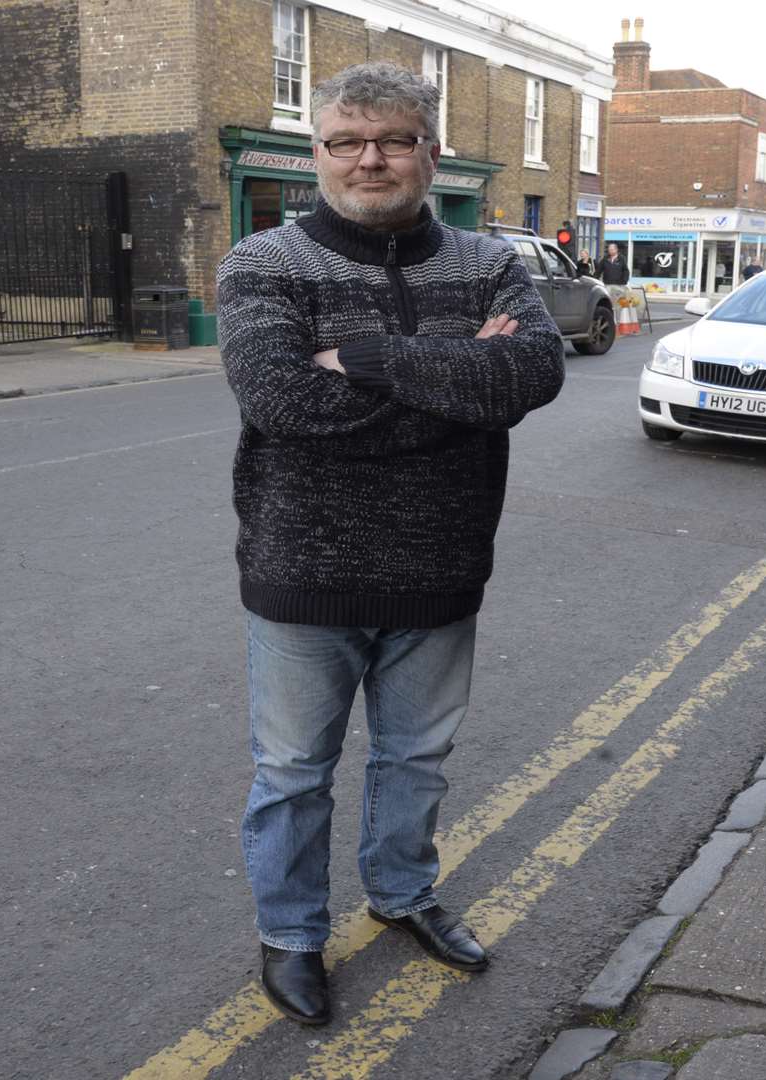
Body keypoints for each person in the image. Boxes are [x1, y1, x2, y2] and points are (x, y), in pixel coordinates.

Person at [215, 62, 565, 1028]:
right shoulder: (265, 265)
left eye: (394, 139)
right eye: (347, 142)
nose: (370, 159)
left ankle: (402, 896)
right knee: (292, 773)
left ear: (429, 153)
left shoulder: (489, 262)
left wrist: (364, 359)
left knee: (416, 761)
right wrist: (459, 388)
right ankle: (290, 935)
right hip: (304, 572)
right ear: (316, 153)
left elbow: (529, 378)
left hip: (442, 569)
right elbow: (283, 402)